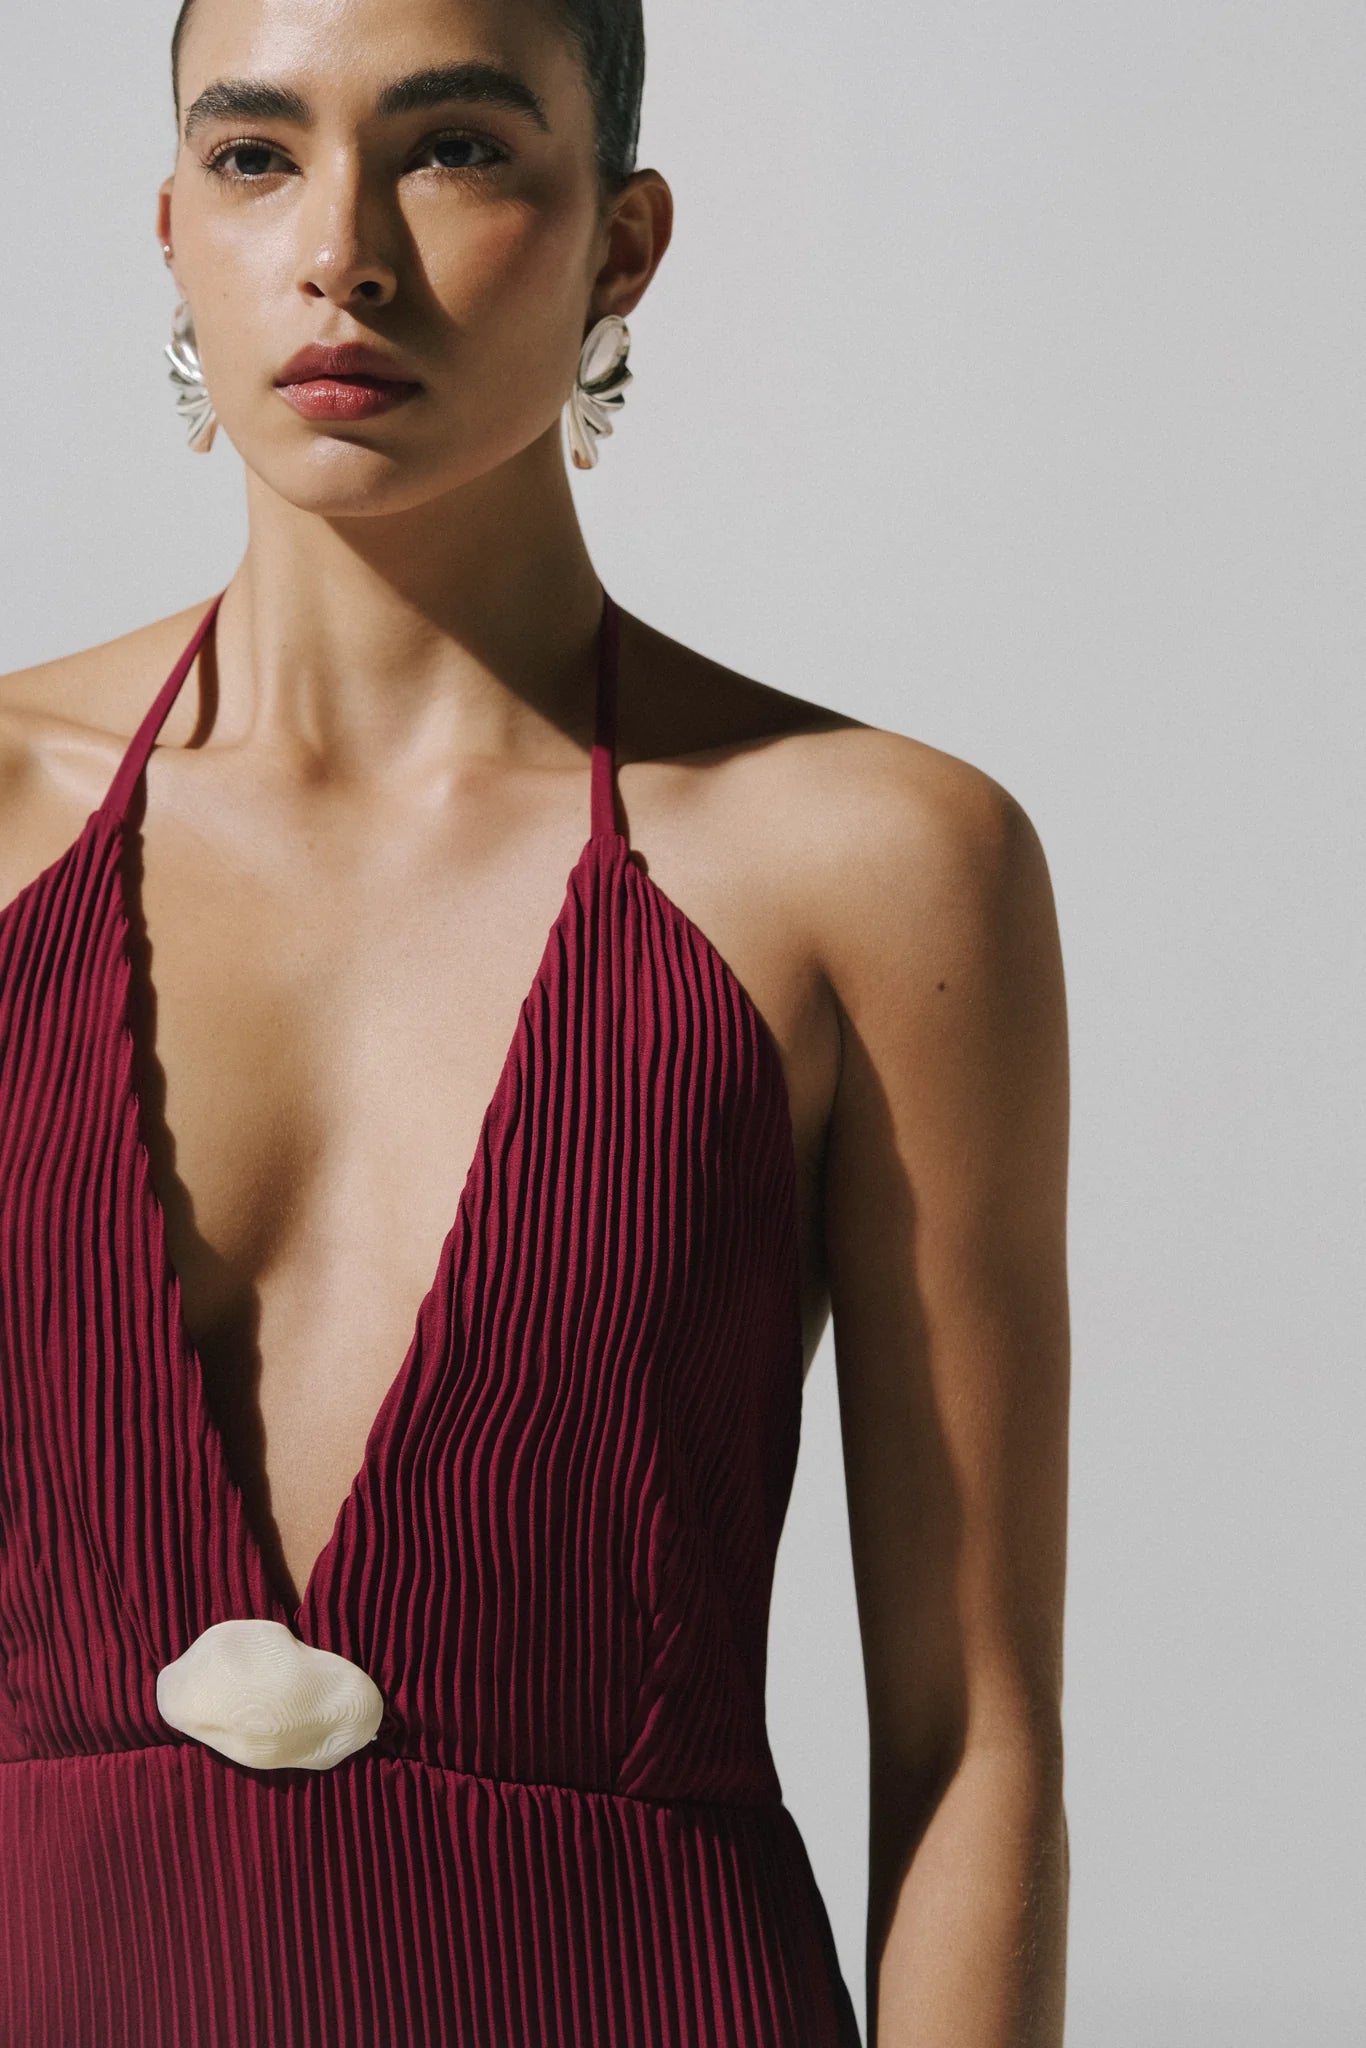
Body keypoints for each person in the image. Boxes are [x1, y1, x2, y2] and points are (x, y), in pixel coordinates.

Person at [0, 0, 1071, 2042]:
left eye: (456, 148)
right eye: (254, 156)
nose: (341, 251)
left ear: (620, 242)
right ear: (170, 227)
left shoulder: (872, 867)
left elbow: (971, 1735)